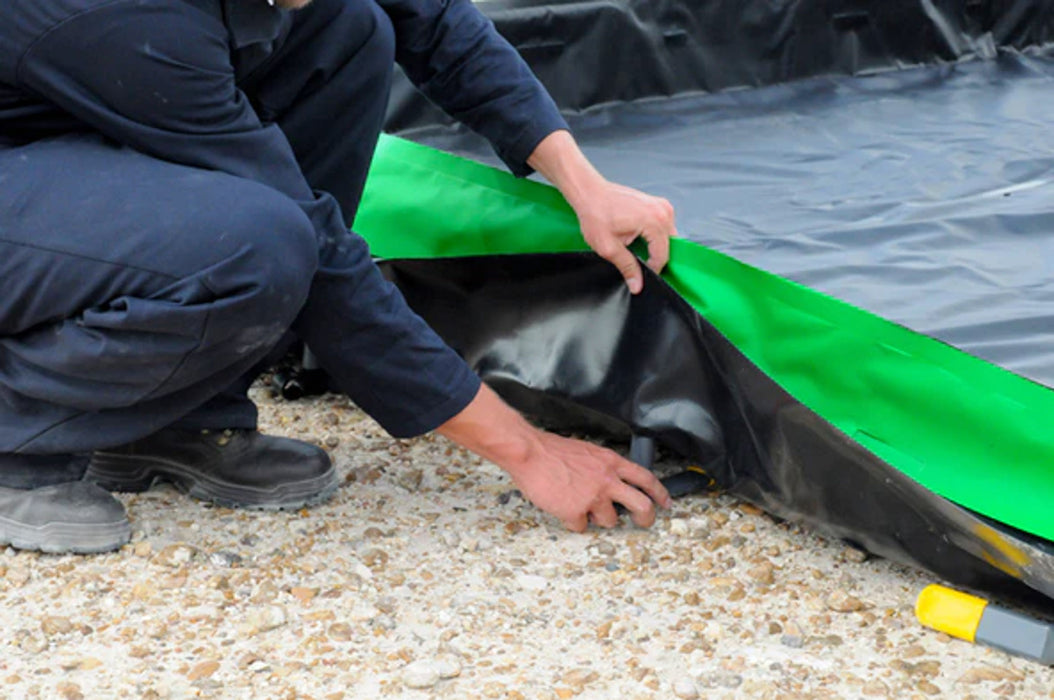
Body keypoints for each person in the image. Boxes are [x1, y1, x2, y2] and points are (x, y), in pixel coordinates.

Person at [0, 0, 676, 554]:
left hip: (73, 113)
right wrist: (527, 451)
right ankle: (16, 443)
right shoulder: (132, 22)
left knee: (349, 30)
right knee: (258, 247)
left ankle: (170, 417)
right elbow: (320, 256)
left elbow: (435, 21)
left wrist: (584, 184)